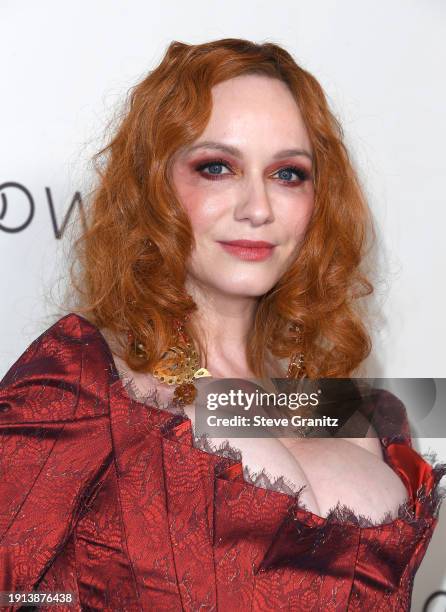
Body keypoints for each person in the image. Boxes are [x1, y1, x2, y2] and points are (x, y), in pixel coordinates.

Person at [0, 38, 445, 611]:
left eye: (288, 174)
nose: (257, 207)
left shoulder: (362, 412)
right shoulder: (87, 378)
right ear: (154, 187)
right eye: (217, 167)